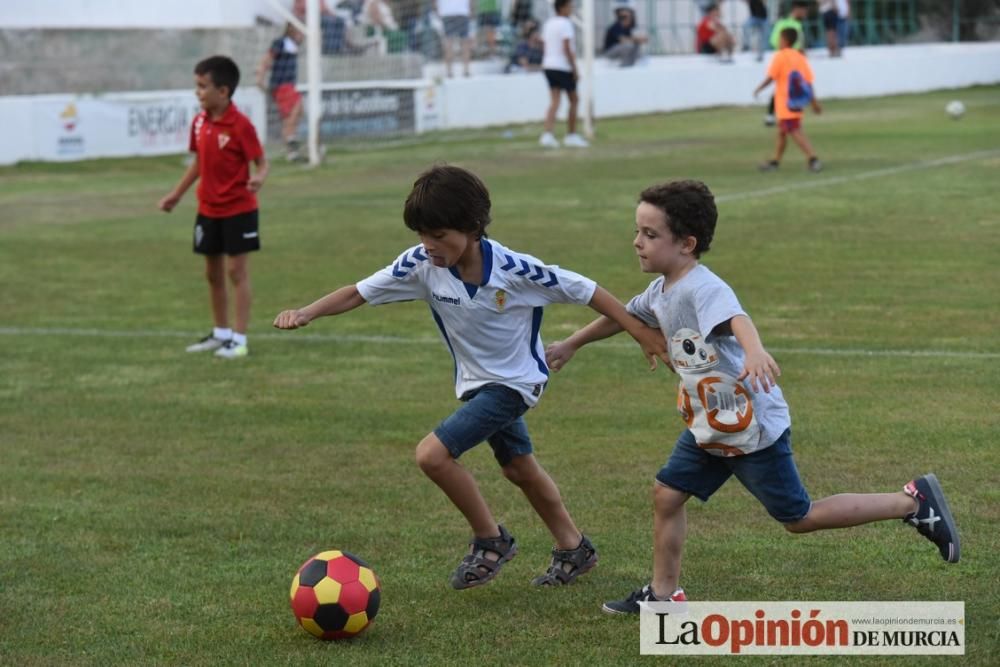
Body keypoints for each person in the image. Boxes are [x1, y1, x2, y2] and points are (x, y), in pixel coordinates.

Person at [543, 179, 961, 614]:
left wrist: (756, 350)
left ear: (687, 243)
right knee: (667, 494)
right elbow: (624, 317)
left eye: (650, 235)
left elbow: (736, 317)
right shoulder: (663, 289)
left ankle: (911, 502)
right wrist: (573, 343)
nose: (637, 243)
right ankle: (664, 596)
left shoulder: (703, 288)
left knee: (798, 517)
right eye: (637, 231)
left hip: (750, 426)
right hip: (712, 424)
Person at [273, 164, 670, 590]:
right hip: (476, 384)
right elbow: (358, 291)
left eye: (440, 235)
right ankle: (574, 548)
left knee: (433, 455)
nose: (429, 245)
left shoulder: (516, 270)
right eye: (423, 234)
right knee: (519, 468)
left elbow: (587, 290)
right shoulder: (421, 263)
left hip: (516, 384)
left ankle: (491, 540)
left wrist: (642, 333)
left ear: (472, 227)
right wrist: (308, 311)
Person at [158, 56, 268, 359]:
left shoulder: (240, 125)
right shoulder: (199, 122)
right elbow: (198, 164)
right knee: (212, 273)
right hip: (207, 209)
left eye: (202, 86)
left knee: (236, 271)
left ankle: (240, 339)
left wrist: (258, 178)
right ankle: (220, 334)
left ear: (223, 91)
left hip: (239, 209)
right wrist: (176, 195)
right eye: (197, 86)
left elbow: (261, 161)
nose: (198, 92)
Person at [754, 27, 823, 173]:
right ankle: (775, 162)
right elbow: (808, 82)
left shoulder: (780, 56)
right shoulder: (800, 56)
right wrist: (814, 102)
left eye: (780, 39)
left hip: (785, 103)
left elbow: (771, 77)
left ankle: (813, 158)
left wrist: (759, 88)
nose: (778, 42)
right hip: (796, 100)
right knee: (782, 132)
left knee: (794, 130)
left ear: (785, 40)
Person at [540, 0, 588, 148]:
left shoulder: (549, 23)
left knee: (555, 101)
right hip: (562, 66)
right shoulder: (565, 24)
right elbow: (567, 48)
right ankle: (571, 135)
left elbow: (545, 44)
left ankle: (548, 134)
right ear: (562, 8)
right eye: (569, 6)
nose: (571, 9)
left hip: (548, 65)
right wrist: (574, 68)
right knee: (574, 100)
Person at [257, 23, 305, 162]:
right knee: (297, 109)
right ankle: (291, 141)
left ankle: (292, 153)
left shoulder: (292, 45)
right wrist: (260, 76)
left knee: (291, 117)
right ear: (292, 30)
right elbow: (267, 58)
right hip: (281, 85)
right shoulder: (280, 42)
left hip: (287, 86)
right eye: (299, 31)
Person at [763, 1, 808, 125]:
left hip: (794, 60)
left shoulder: (797, 25)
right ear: (796, 9)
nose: (805, 13)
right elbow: (774, 41)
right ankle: (774, 115)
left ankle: (775, 115)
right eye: (803, 10)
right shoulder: (783, 24)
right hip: (786, 60)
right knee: (784, 88)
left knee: (789, 88)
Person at [437, 0, 473, 77]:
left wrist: (438, 10)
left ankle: (449, 72)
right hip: (462, 11)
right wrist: (470, 9)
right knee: (464, 42)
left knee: (448, 42)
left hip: (447, 12)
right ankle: (466, 70)